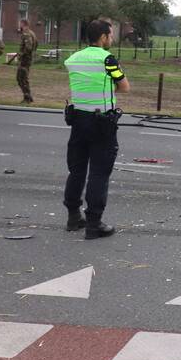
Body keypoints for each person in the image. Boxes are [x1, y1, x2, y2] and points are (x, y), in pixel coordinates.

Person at [63, 20, 130, 239]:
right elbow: (124, 87)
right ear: (102, 37)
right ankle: (94, 223)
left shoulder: (73, 59)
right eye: (110, 35)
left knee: (77, 170)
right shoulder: (108, 59)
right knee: (99, 173)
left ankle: (73, 217)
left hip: (78, 120)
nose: (111, 39)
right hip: (101, 123)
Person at [15, 19, 38, 103]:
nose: (19, 26)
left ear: (23, 24)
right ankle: (28, 96)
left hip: (24, 60)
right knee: (23, 78)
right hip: (28, 59)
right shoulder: (32, 33)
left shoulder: (26, 33)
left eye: (19, 24)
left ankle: (27, 97)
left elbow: (28, 47)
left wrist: (21, 54)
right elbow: (36, 45)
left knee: (21, 78)